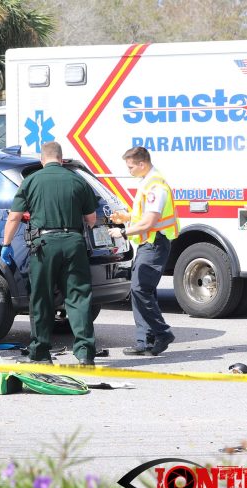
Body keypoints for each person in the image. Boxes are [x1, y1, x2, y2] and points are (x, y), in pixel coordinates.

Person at [1, 141, 98, 365]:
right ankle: (84, 354)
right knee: (78, 298)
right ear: (62, 159)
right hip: (74, 243)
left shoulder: (31, 181)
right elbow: (91, 219)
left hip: (44, 245)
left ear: (42, 160)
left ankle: (41, 354)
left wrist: (6, 244)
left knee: (42, 299)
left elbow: (14, 217)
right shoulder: (77, 180)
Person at [108, 146, 179, 356]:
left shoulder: (156, 187)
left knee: (140, 290)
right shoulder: (148, 183)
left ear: (142, 164)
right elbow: (143, 216)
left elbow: (149, 221)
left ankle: (162, 333)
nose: (128, 170)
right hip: (149, 243)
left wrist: (122, 231)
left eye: (130, 167)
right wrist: (126, 217)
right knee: (142, 290)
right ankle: (145, 341)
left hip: (155, 243)